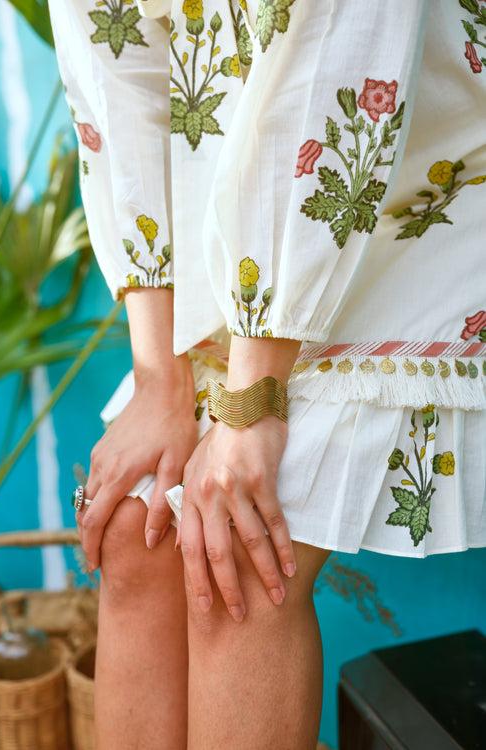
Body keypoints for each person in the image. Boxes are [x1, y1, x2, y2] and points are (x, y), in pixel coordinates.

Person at [48, 0, 486, 747]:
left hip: (407, 179)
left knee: (237, 566)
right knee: (137, 530)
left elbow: (338, 54)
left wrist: (251, 401)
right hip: (237, 201)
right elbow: (113, 67)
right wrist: (159, 376)